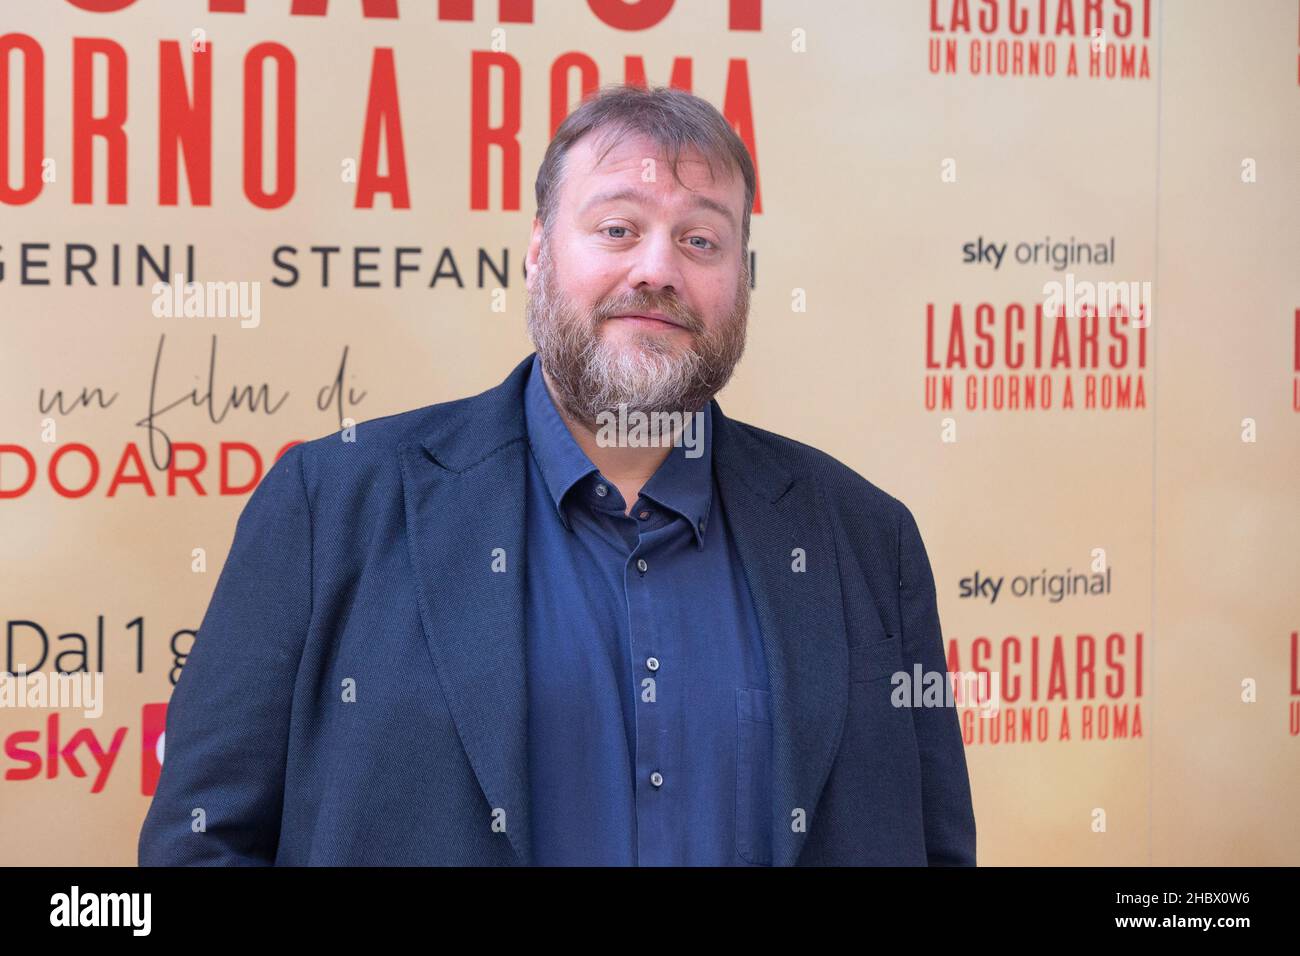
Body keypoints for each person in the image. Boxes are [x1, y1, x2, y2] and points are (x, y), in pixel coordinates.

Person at [138, 84, 976, 866]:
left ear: (743, 283)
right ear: (537, 254)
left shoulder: (868, 541)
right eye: (617, 229)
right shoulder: (329, 507)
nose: (657, 270)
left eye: (701, 240)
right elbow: (201, 845)